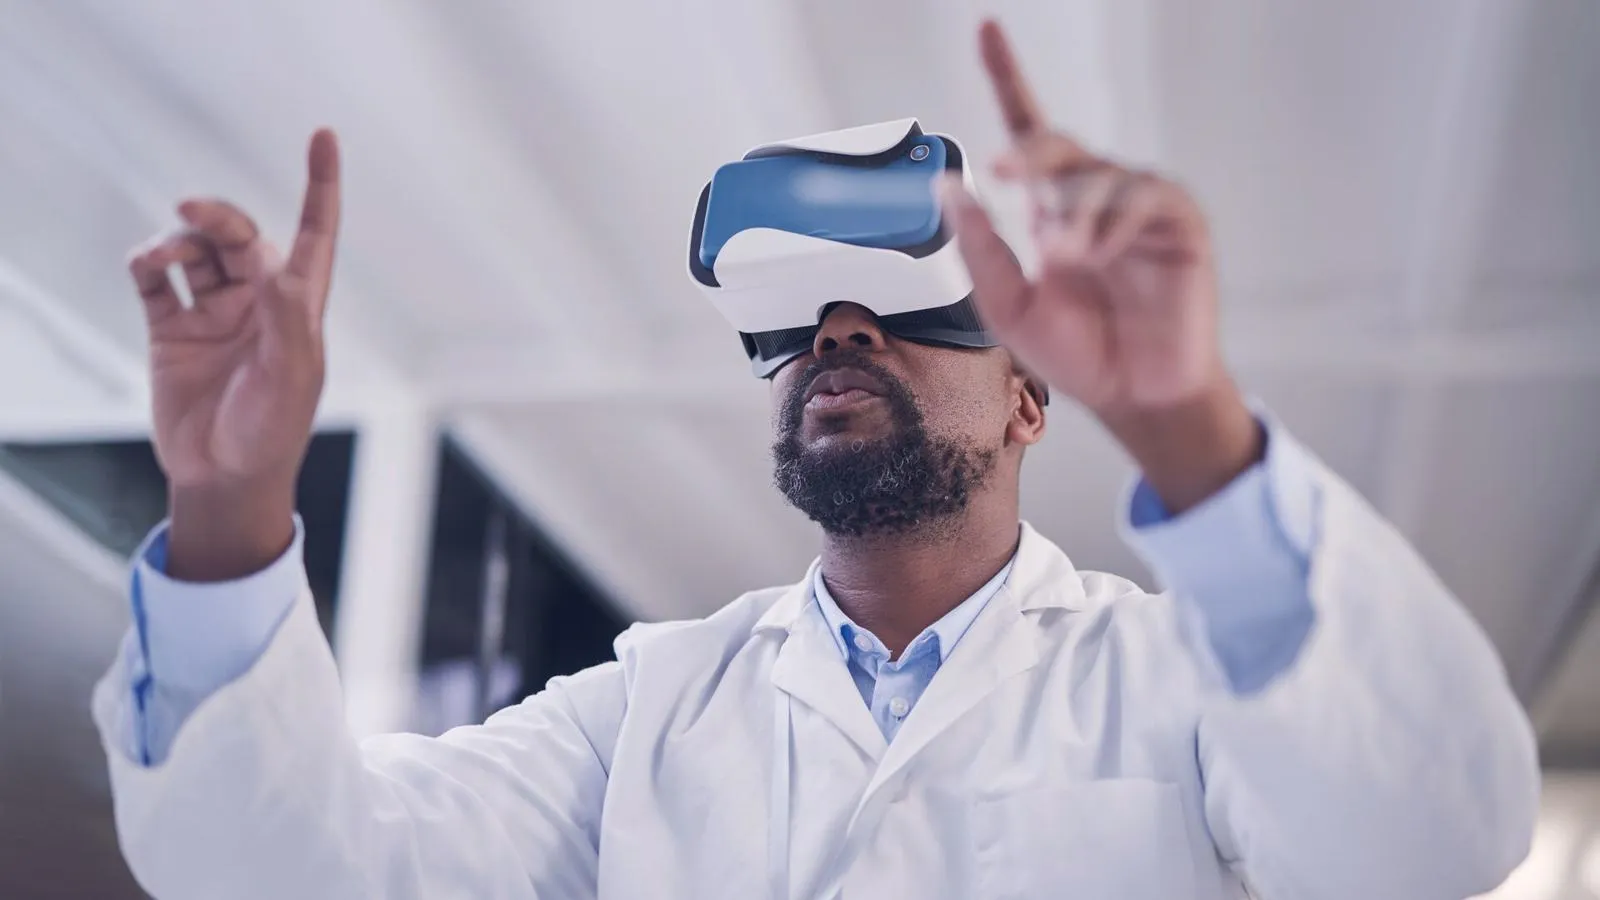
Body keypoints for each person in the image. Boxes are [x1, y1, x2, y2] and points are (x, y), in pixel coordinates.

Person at [94, 20, 1536, 900]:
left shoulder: (1172, 682)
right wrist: (229, 500)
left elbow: (1431, 846)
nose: (842, 332)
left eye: (904, 307)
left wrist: (1196, 438)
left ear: (1031, 403)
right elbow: (285, 872)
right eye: (804, 322)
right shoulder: (640, 715)